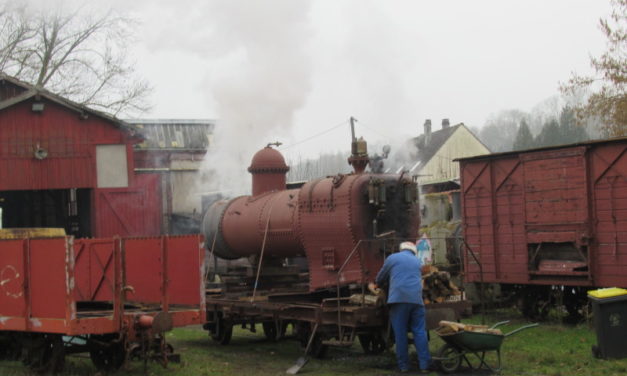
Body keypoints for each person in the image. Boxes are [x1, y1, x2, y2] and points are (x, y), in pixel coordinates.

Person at [375, 241, 432, 373]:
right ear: (413, 251)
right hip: (417, 301)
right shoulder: (418, 261)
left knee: (400, 334)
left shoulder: (392, 258)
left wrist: (377, 283)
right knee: (420, 332)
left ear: (401, 249)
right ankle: (424, 365)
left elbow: (381, 276)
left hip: (399, 300)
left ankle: (404, 366)